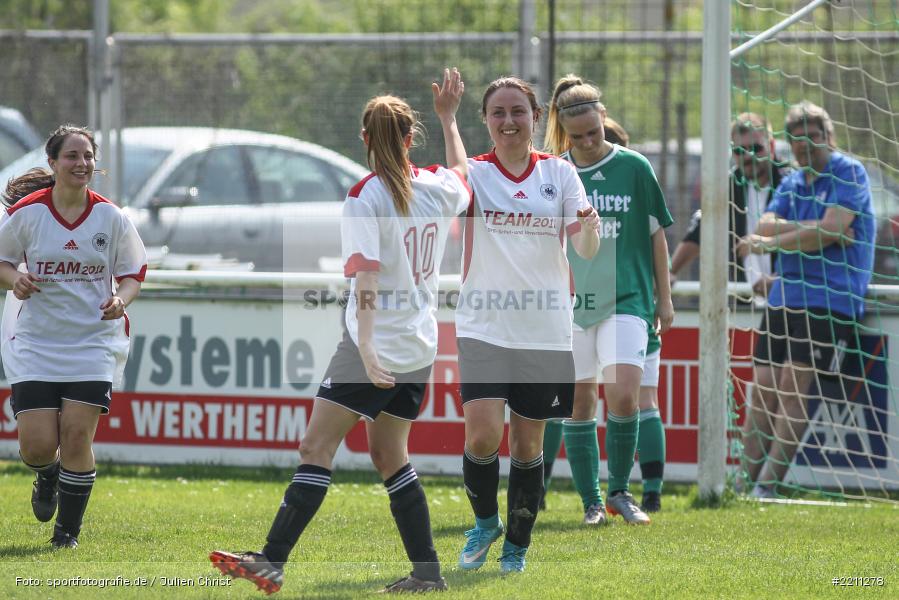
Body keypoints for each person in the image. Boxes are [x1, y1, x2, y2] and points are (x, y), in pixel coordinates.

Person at [210, 69, 471, 594]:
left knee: (315, 446)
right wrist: (449, 118)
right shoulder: (437, 186)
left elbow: (367, 278)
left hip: (375, 345)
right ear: (410, 138)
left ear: (365, 139)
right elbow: (464, 172)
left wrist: (368, 347)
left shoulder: (365, 195)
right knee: (389, 456)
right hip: (420, 344)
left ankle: (271, 561)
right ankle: (427, 574)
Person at [455, 76, 599, 573]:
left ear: (536, 117)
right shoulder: (472, 173)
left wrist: (590, 233)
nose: (509, 121)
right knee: (481, 435)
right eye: (498, 112)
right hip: (483, 325)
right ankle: (484, 522)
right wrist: (447, 118)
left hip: (544, 329)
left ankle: (517, 542)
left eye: (518, 111)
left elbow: (584, 246)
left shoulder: (559, 174)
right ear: (486, 121)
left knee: (527, 444)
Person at [0, 125, 147, 549]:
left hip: (93, 342)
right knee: (38, 447)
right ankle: (46, 474)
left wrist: (121, 299)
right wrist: (16, 279)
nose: (82, 164)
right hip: (35, 343)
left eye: (87, 156)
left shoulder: (110, 217)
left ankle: (67, 536)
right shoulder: (27, 213)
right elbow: (2, 261)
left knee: (78, 435)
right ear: (53, 163)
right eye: (72, 156)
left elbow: (134, 273)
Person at [541, 75, 674, 526]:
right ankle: (591, 503)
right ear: (564, 133)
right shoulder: (556, 172)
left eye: (593, 133)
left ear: (604, 119)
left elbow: (657, 236)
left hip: (629, 298)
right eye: (576, 137)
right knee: (579, 405)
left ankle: (620, 490)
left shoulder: (635, 167)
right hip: (574, 304)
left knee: (623, 396)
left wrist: (665, 298)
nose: (587, 143)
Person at [736, 101, 875, 497]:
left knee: (793, 386)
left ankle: (768, 486)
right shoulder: (792, 182)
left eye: (812, 138)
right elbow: (770, 224)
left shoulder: (849, 171)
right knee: (762, 387)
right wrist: (815, 230)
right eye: (796, 139)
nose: (804, 146)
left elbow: (830, 232)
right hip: (784, 295)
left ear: (828, 137)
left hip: (829, 299)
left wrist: (778, 239)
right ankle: (743, 483)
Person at [670, 112, 787, 299]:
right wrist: (671, 271)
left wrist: (782, 280)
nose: (749, 156)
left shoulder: (790, 184)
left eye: (756, 148)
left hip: (788, 296)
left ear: (771, 146)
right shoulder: (728, 187)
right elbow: (700, 232)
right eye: (740, 151)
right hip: (743, 299)